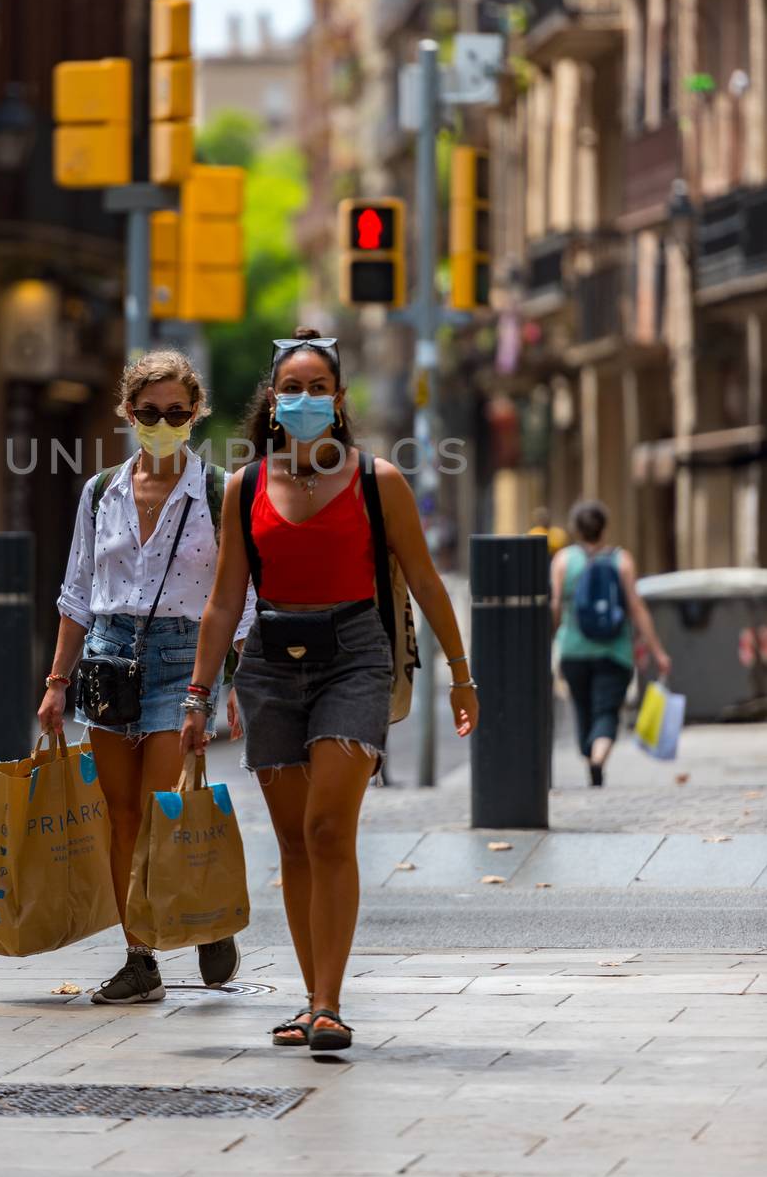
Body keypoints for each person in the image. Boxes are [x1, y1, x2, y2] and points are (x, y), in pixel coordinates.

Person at [182, 330, 479, 1053]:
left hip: (355, 657)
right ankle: (309, 1001)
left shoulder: (379, 482)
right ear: (273, 401)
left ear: (339, 401)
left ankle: (328, 1003)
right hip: (270, 669)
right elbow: (224, 602)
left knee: (326, 829)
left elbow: (426, 579)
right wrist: (196, 696)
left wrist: (461, 675)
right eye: (294, 388)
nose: (306, 399)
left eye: (319, 388)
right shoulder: (245, 487)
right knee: (291, 841)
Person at [38, 349, 253, 1005]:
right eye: (151, 412)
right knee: (118, 813)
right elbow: (78, 592)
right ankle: (141, 957)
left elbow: (237, 595)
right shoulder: (101, 492)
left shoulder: (218, 491)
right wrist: (55, 682)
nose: (164, 422)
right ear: (129, 413)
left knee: (167, 806)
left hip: (182, 661)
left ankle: (205, 911)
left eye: (178, 413)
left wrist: (232, 678)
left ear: (196, 415)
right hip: (107, 655)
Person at [552, 498, 671, 787]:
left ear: (575, 529)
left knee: (582, 710)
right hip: (615, 652)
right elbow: (636, 608)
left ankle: (590, 754)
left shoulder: (564, 561)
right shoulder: (622, 560)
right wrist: (658, 651)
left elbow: (555, 607)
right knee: (607, 712)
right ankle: (598, 758)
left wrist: (554, 639)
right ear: (604, 528)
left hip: (573, 651)